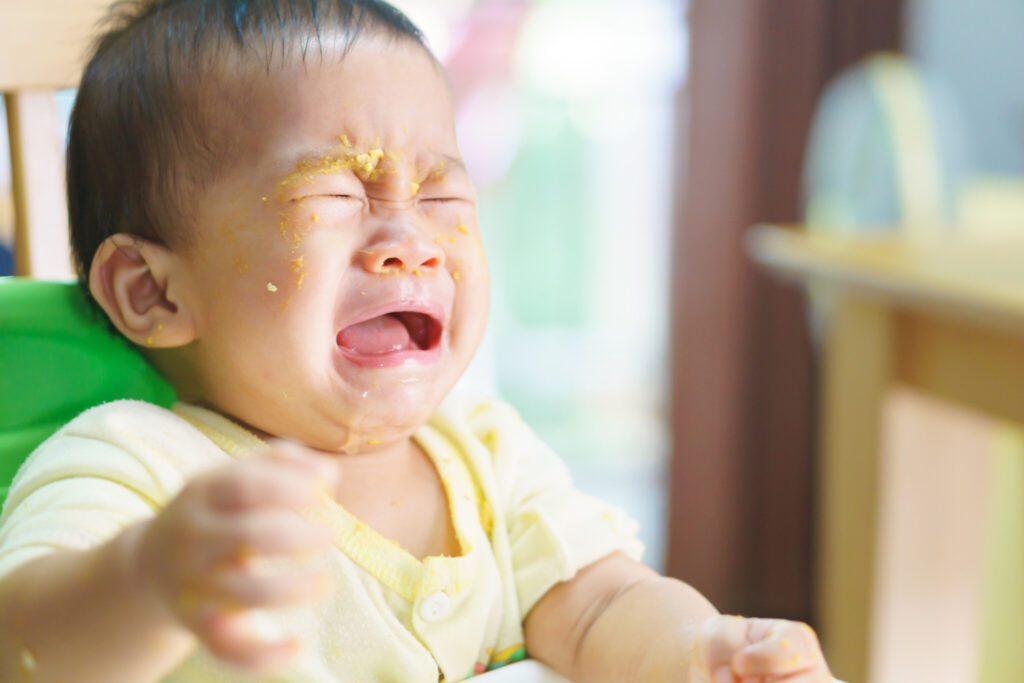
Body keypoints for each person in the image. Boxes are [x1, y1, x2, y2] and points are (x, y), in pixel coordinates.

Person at [0, 1, 835, 681]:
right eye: (333, 192)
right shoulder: (137, 465)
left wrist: (702, 650)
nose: (413, 239)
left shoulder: (488, 459)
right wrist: (147, 578)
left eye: (443, 198)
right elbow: (24, 644)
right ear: (152, 291)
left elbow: (605, 608)